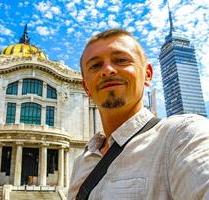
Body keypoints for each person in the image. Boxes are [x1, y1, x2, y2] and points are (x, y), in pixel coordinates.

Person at [67, 29, 209, 200]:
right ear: (86, 88)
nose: (107, 70)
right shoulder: (81, 163)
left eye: (121, 60)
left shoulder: (183, 136)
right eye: (95, 65)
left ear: (147, 75)